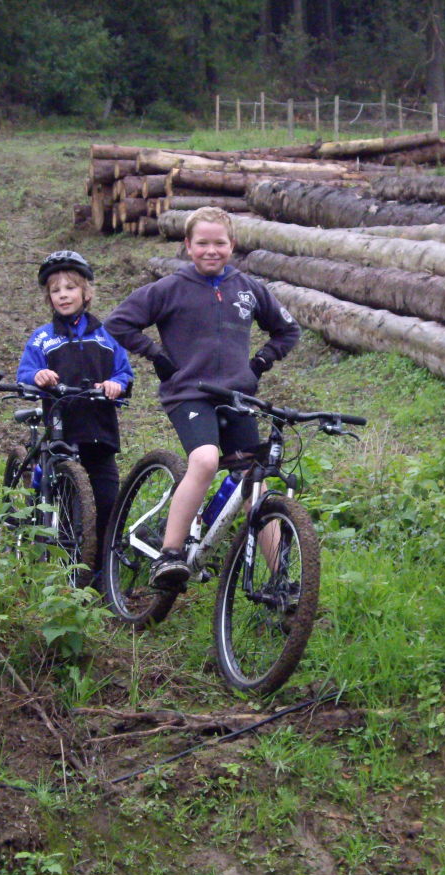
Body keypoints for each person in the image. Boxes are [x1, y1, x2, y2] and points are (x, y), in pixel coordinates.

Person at [104, 207, 300, 590]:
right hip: (189, 394)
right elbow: (118, 322)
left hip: (236, 397)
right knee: (206, 460)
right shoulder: (169, 288)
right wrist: (157, 356)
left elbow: (287, 330)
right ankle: (169, 554)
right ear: (188, 245)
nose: (212, 250)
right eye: (203, 243)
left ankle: (282, 580)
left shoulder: (247, 288)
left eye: (220, 243)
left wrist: (260, 363)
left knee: (254, 483)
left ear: (232, 245)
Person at [17, 250, 133, 573]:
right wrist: (38, 376)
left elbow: (124, 373)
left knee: (107, 504)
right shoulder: (43, 338)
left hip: (100, 434)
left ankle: (103, 575)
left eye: (70, 288)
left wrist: (116, 384)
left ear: (86, 292)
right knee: (70, 506)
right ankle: (69, 573)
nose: (63, 295)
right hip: (62, 432)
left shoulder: (107, 336)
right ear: (49, 297)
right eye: (55, 290)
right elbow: (25, 373)